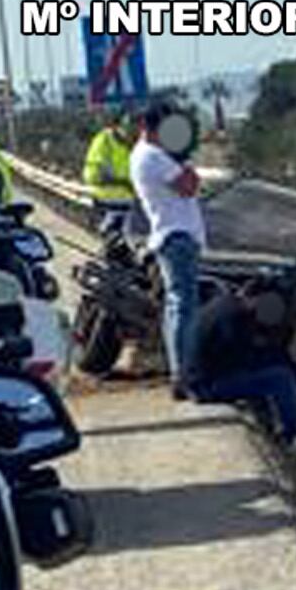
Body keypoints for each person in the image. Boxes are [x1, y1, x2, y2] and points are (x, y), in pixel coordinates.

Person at [129, 100, 205, 397]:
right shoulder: (153, 157)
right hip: (176, 237)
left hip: (172, 236)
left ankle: (180, 370)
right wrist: (184, 159)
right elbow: (190, 186)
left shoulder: (147, 155)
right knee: (184, 306)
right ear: (151, 128)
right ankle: (183, 374)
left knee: (176, 307)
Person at [186, 281, 296, 442]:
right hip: (206, 386)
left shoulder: (222, 305)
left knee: (269, 375)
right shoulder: (234, 316)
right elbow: (242, 361)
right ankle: (293, 435)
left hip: (200, 379)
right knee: (281, 378)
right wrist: (283, 358)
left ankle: (272, 429)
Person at [83, 107, 140, 235]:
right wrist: (122, 183)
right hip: (108, 203)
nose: (132, 130)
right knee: (116, 244)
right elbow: (92, 175)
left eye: (135, 126)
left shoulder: (137, 143)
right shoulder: (104, 141)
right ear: (117, 125)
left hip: (132, 204)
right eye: (128, 125)